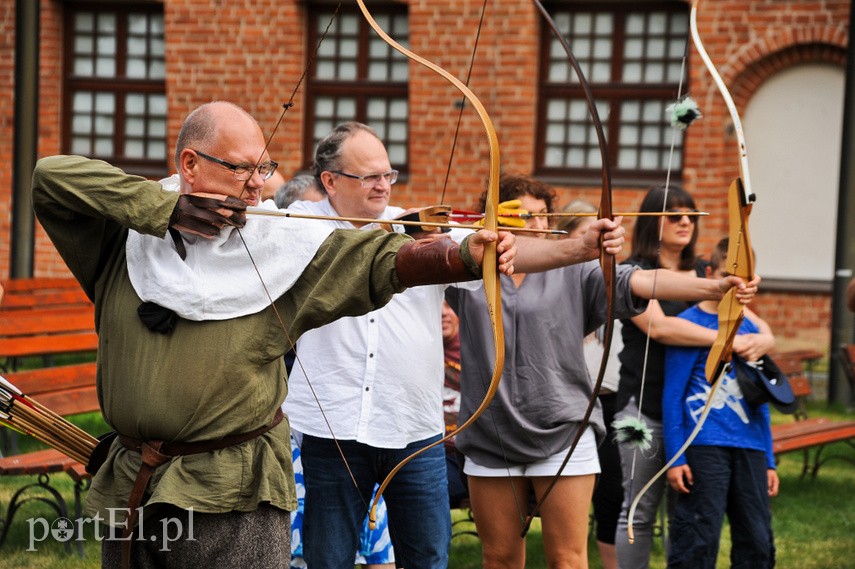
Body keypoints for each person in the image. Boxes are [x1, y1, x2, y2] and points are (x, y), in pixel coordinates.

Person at [30, 101, 517, 569]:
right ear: (190, 164)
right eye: (242, 169)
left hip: (234, 494)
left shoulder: (281, 248)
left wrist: (462, 254)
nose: (256, 189)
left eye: (264, 170)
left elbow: (376, 259)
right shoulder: (124, 242)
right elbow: (51, 178)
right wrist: (164, 210)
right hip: (135, 484)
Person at [282, 122, 628, 569]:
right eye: (369, 177)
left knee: (427, 556)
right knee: (328, 559)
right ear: (330, 181)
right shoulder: (297, 229)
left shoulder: (422, 228)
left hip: (414, 434)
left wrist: (580, 248)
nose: (383, 185)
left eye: (388, 174)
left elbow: (499, 253)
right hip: (333, 427)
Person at [447, 174, 760, 569]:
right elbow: (417, 242)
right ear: (497, 218)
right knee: (499, 558)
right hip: (490, 432)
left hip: (563, 428)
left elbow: (640, 280)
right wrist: (468, 232)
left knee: (568, 560)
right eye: (525, 216)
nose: (540, 225)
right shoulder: (467, 269)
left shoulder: (574, 268)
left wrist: (717, 289)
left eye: (545, 215)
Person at [614, 184, 774, 569]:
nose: (685, 221)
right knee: (639, 506)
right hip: (644, 406)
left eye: (691, 214)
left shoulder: (706, 271)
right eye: (674, 215)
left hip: (697, 415)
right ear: (654, 222)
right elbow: (661, 329)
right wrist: (730, 343)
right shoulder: (630, 272)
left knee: (687, 511)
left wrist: (765, 338)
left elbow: (753, 323)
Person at [663, 238, 778, 568]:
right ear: (710, 273)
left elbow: (762, 397)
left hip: (751, 448)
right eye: (729, 275)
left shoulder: (753, 328)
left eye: (745, 278)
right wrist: (676, 458)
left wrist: (769, 459)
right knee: (698, 536)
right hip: (704, 445)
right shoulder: (689, 325)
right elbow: (673, 397)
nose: (736, 285)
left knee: (757, 539)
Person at [559, 198, 622, 569]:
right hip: (570, 405)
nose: (595, 244)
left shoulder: (606, 280)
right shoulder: (554, 282)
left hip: (611, 401)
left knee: (612, 489)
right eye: (586, 235)